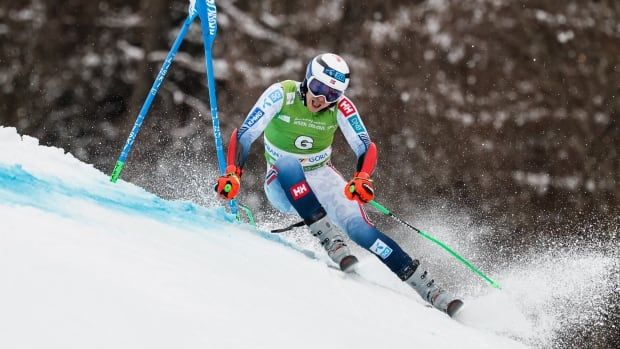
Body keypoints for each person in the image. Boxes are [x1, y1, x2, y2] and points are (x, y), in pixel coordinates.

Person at [214, 53, 463, 316]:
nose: (321, 99)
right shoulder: (281, 94)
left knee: (361, 231)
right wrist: (233, 173)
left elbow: (366, 146)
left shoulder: (341, 107)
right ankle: (331, 240)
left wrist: (362, 178)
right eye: (318, 88)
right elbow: (244, 134)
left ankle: (431, 290)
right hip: (282, 184)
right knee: (288, 163)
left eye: (331, 94)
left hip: (321, 176)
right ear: (307, 79)